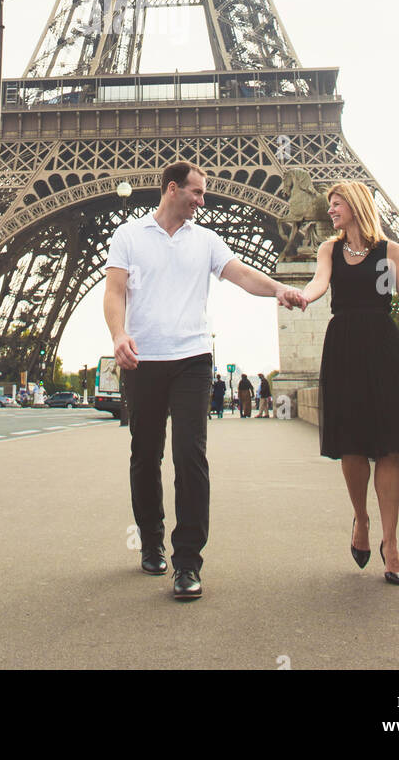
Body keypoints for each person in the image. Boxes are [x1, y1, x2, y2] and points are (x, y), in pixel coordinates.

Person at [103, 160, 303, 601]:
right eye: (196, 192)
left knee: (190, 456)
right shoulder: (129, 236)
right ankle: (152, 541)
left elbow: (243, 275)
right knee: (145, 454)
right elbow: (114, 291)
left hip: (193, 357)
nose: (203, 200)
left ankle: (188, 561)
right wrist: (119, 335)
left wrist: (279, 290)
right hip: (144, 359)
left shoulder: (207, 240)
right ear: (172, 189)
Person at [290, 181, 399, 586]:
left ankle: (391, 545)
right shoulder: (329, 250)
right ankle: (361, 519)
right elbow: (320, 283)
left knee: (388, 449)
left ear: (354, 206)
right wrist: (303, 296)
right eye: (330, 206)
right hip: (344, 349)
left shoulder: (390, 251)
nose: (331, 211)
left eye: (336, 205)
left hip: (382, 348)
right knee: (352, 448)